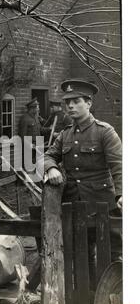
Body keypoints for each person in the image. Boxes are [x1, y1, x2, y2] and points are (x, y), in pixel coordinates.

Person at [44, 79, 122, 263]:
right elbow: (47, 156)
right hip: (74, 203)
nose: (70, 106)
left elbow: (119, 165)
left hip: (102, 203)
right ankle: (86, 291)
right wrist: (52, 167)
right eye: (67, 102)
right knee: (80, 255)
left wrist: (121, 194)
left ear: (89, 103)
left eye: (76, 101)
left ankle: (112, 291)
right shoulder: (66, 134)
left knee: (112, 256)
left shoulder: (105, 132)